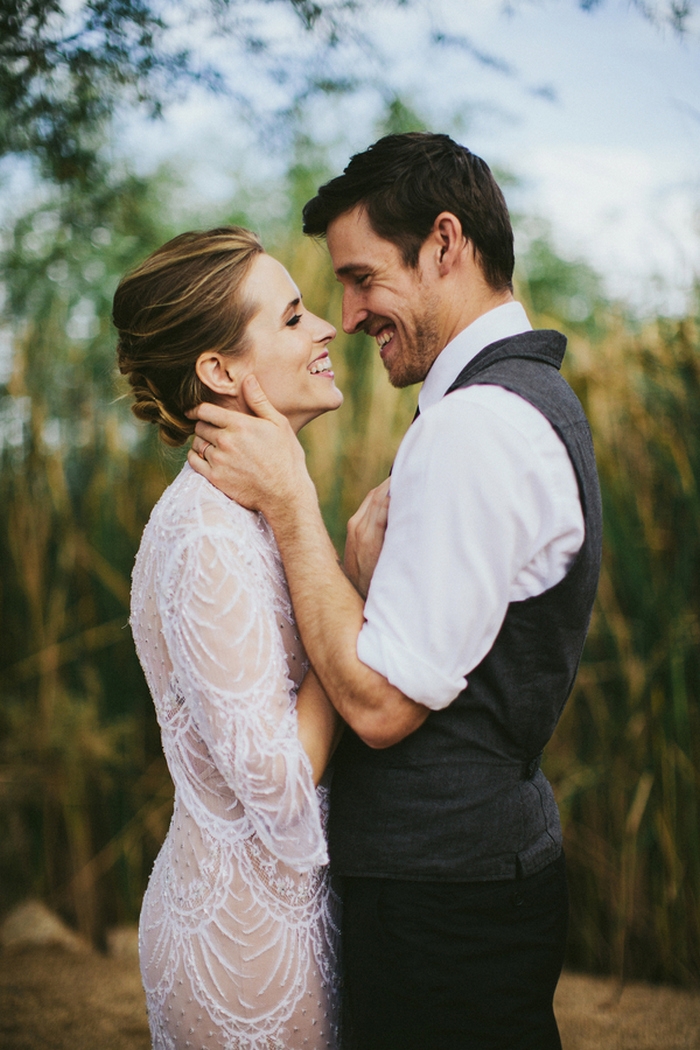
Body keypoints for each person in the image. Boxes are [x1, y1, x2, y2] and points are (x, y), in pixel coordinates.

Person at [186, 133, 603, 1050]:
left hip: (443, 899)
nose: (348, 311)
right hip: (462, 878)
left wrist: (294, 503)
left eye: (363, 276)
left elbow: (379, 706)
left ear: (445, 243)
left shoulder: (480, 427)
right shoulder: (513, 401)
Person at [113, 226, 346, 1050]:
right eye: (291, 318)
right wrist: (360, 619)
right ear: (219, 370)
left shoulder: (245, 516)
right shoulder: (207, 536)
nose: (326, 327)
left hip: (282, 916)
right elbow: (279, 786)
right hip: (245, 952)